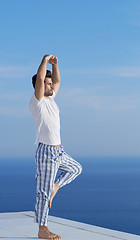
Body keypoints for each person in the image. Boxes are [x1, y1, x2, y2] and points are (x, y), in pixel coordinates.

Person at [29, 54, 82, 239]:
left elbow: (58, 81)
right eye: (48, 83)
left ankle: (55, 187)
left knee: (76, 168)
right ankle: (42, 229)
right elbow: (41, 78)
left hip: (59, 150)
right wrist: (44, 61)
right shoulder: (38, 102)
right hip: (46, 152)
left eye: (51, 84)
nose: (52, 86)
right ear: (41, 85)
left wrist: (56, 65)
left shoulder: (51, 100)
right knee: (42, 192)